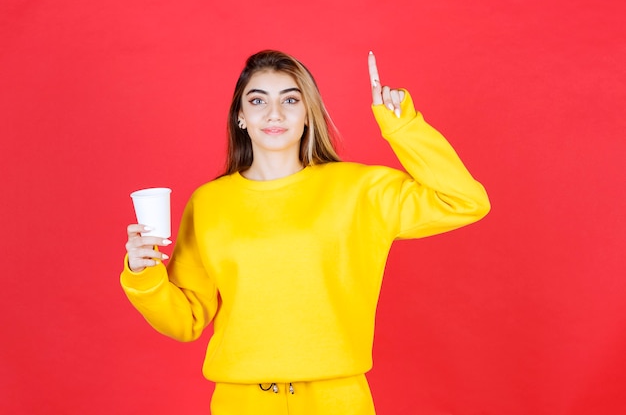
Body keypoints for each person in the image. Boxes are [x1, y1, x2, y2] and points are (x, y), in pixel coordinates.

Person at [121, 50, 490, 415]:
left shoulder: (358, 190)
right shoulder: (208, 203)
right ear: (241, 117)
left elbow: (464, 200)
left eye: (290, 100)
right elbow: (184, 321)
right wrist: (143, 275)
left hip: (337, 400)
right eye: (257, 100)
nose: (274, 113)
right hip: (241, 402)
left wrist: (402, 126)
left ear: (307, 114)